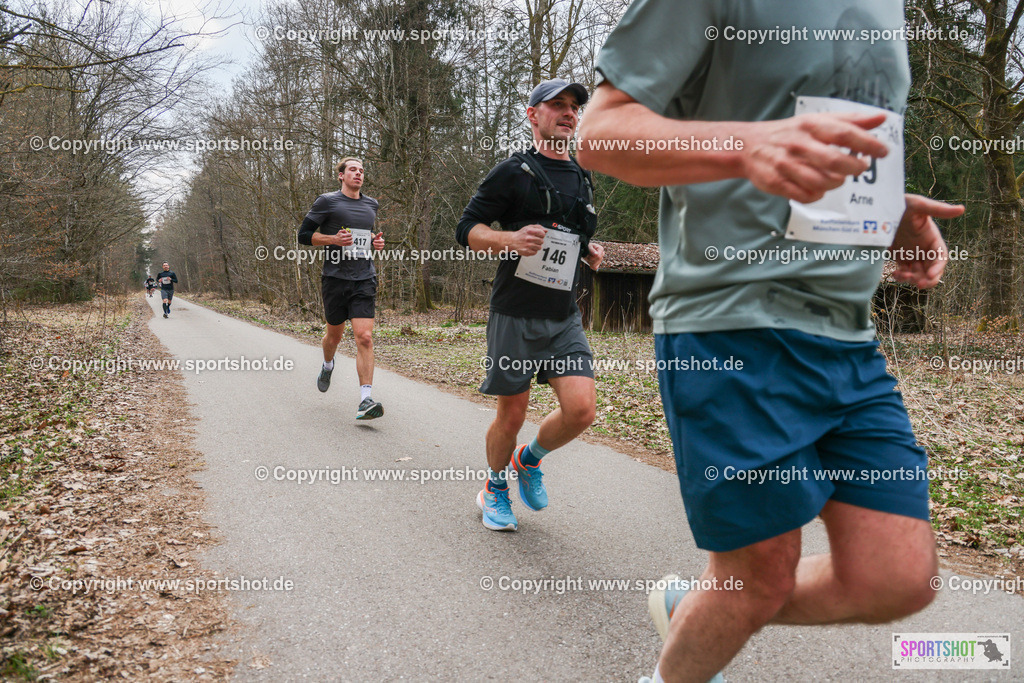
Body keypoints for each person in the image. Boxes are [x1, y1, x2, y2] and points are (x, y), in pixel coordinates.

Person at [576, 3, 965, 681]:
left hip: (846, 331)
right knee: (757, 576)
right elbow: (601, 133)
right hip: (730, 318)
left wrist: (895, 210)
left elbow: (847, 137)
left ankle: (702, 605)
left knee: (898, 575)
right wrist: (746, 146)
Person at [456, 78, 605, 532]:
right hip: (515, 314)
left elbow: (574, 238)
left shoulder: (581, 176)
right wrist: (509, 239)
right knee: (512, 414)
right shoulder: (512, 172)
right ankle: (494, 489)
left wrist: (588, 253)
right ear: (533, 114)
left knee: (582, 409)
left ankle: (529, 460)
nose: (568, 113)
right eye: (556, 105)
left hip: (563, 316)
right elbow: (466, 230)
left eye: (574, 107)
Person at [298, 157, 386, 420]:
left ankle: (365, 400)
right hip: (335, 279)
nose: (358, 174)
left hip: (363, 278)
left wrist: (375, 242)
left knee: (365, 337)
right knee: (333, 338)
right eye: (352, 170)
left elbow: (366, 235)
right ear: (341, 175)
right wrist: (333, 239)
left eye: (361, 171)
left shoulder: (372, 204)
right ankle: (328, 364)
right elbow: (304, 235)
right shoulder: (327, 201)